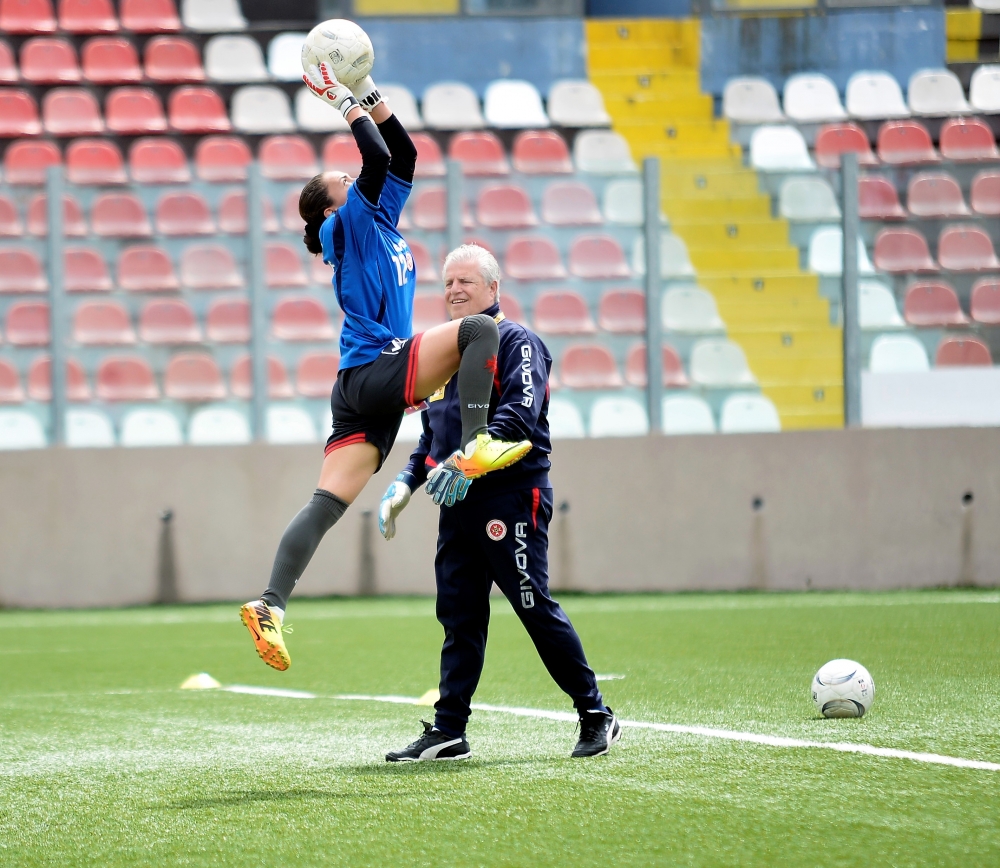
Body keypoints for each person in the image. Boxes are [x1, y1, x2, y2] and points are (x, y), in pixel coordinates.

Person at [239, 64, 532, 671]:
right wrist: (343, 100)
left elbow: (402, 151)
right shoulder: (346, 222)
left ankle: (270, 604)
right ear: (327, 210)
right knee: (482, 329)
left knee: (326, 502)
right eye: (338, 180)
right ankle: (477, 442)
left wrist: (370, 90)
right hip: (376, 368)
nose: (350, 177)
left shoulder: (376, 219)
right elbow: (374, 155)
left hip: (359, 388)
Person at [378, 244, 622, 760]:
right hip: (456, 505)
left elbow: (520, 418)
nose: (454, 290)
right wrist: (403, 484)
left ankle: (596, 713)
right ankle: (449, 730)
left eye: (465, 281)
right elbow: (431, 442)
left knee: (532, 606)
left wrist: (466, 465)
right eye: (447, 283)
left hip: (510, 496)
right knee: (459, 615)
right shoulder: (443, 356)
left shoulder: (518, 341)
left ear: (494, 288)